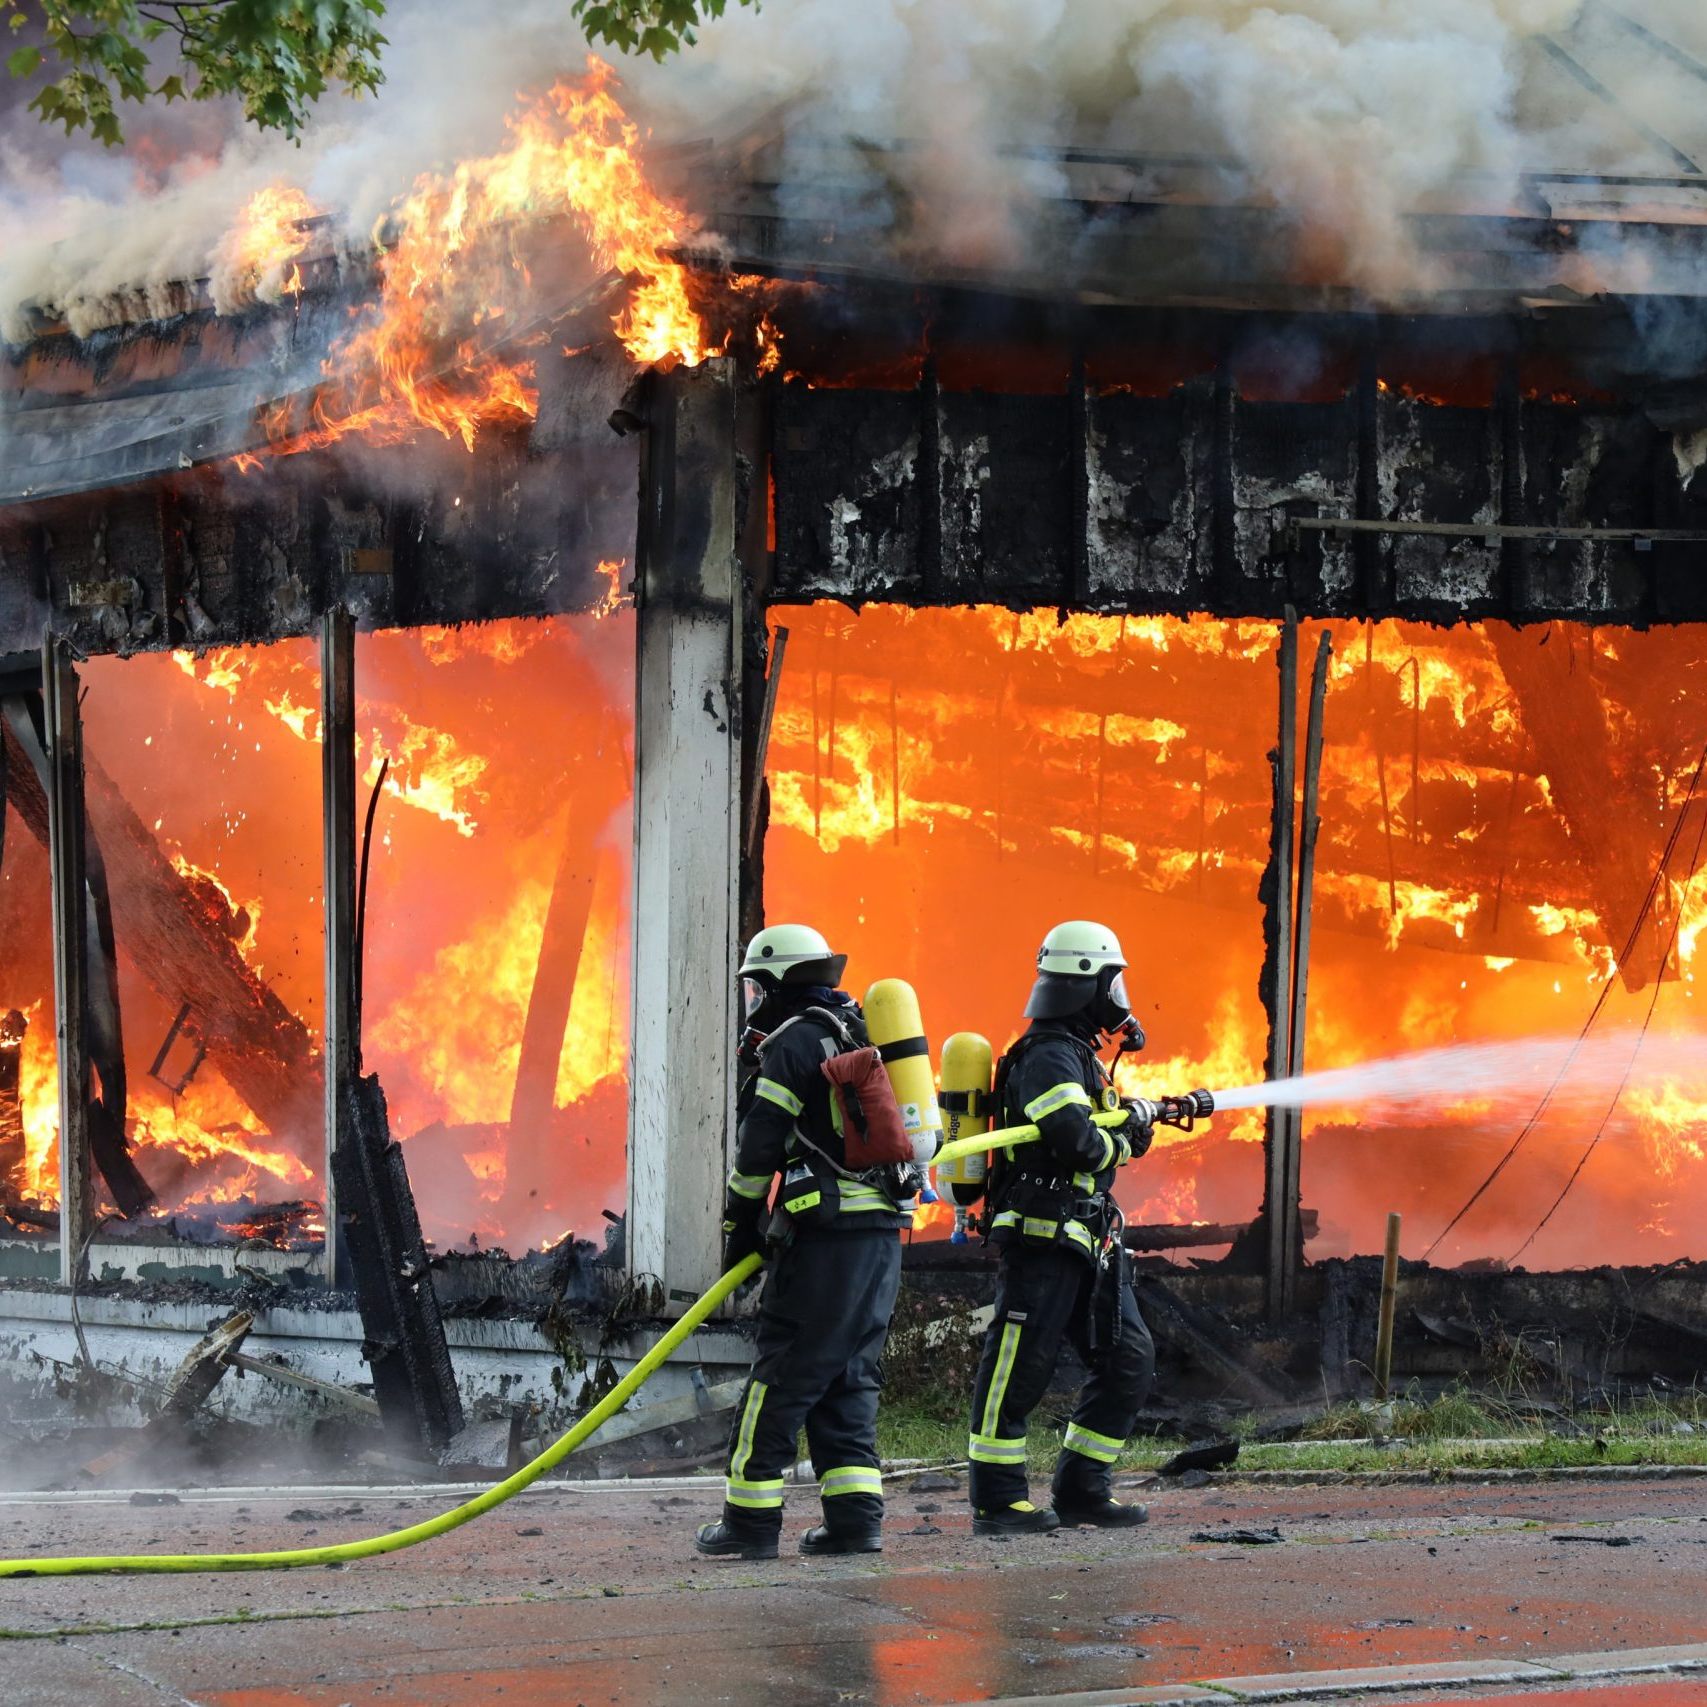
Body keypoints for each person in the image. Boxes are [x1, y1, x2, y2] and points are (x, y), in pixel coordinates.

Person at [694, 924, 911, 1562]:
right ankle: (854, 1523)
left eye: (757, 987)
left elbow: (760, 1147)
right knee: (847, 1375)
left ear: (778, 983)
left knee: (784, 1371)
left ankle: (749, 1521)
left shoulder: (793, 1042)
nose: (754, 1001)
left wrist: (739, 1223)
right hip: (880, 1236)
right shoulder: (861, 1030)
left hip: (825, 1240)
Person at [964, 920, 1157, 1536]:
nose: (1117, 996)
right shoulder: (1047, 1054)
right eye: (1111, 981)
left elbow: (1093, 1131)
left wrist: (1130, 1123)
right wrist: (1125, 1136)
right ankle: (998, 1500)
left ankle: (1081, 1489)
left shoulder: (1078, 1056)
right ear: (1085, 983)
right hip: (1043, 1236)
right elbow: (1077, 1143)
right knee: (1018, 1366)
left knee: (1129, 1357)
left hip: (1086, 1238)